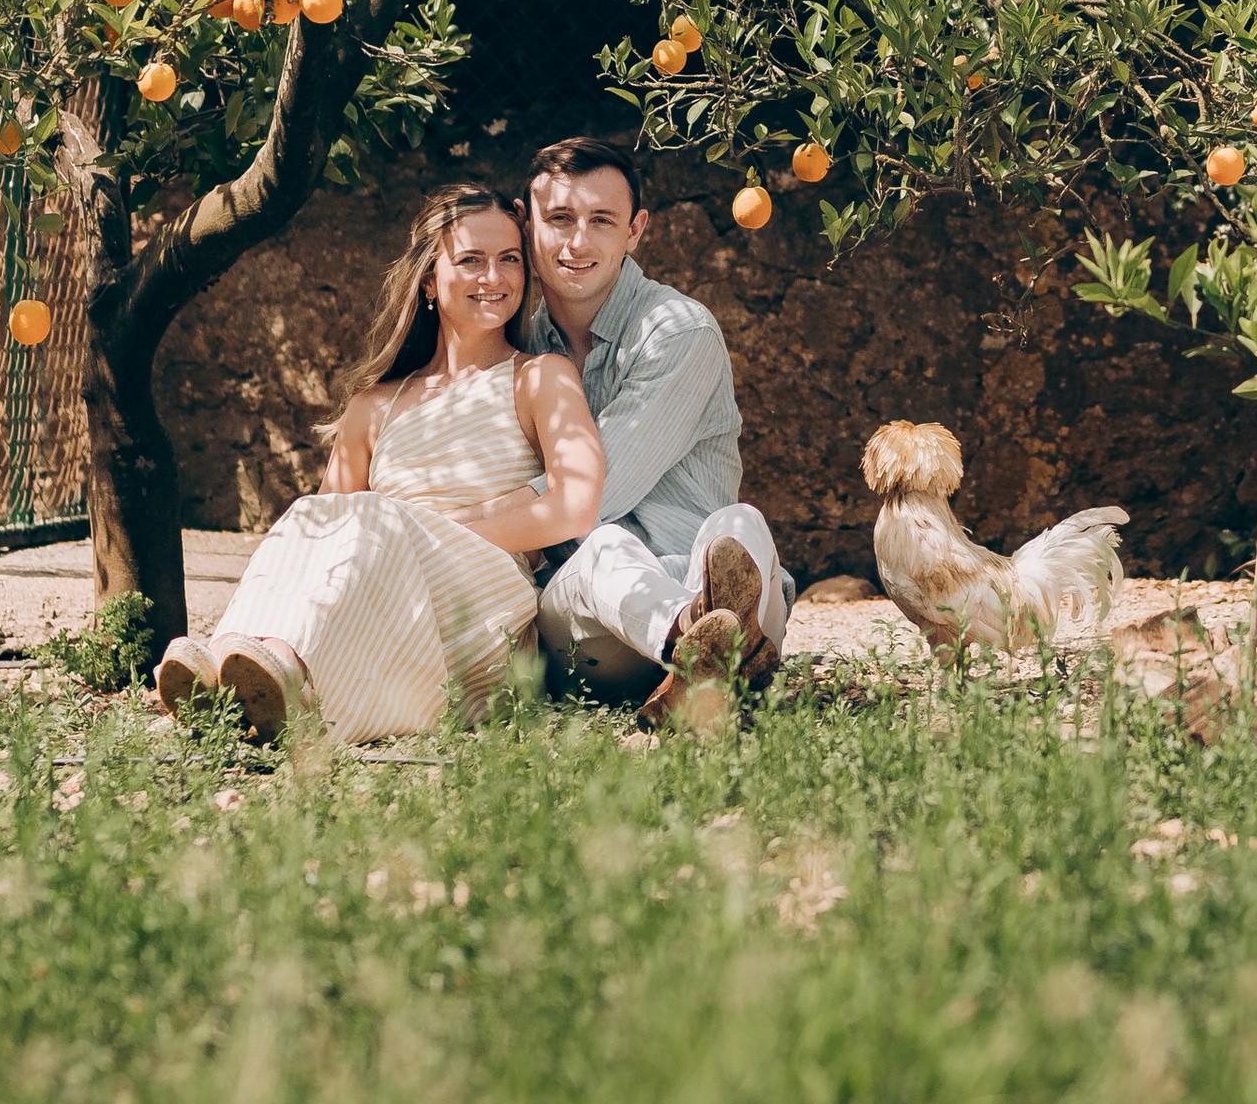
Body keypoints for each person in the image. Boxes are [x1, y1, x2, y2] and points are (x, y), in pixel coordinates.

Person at [154, 181, 605, 743]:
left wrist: (426, 532)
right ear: (429, 282)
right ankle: (241, 667)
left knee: (374, 517)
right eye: (471, 260)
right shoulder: (374, 404)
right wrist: (395, 532)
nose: (495, 278)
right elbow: (316, 540)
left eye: (509, 260)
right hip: (377, 588)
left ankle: (281, 677)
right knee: (306, 516)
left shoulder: (539, 377)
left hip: (485, 607)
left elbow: (575, 507)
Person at [525, 134, 793, 714]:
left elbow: (593, 493)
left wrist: (467, 522)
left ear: (636, 230)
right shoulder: (519, 343)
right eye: (560, 218)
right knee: (603, 548)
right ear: (529, 225)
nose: (578, 241)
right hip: (599, 622)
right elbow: (582, 520)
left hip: (705, 576)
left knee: (739, 520)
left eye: (602, 220)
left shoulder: (678, 332)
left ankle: (710, 649)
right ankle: (702, 648)